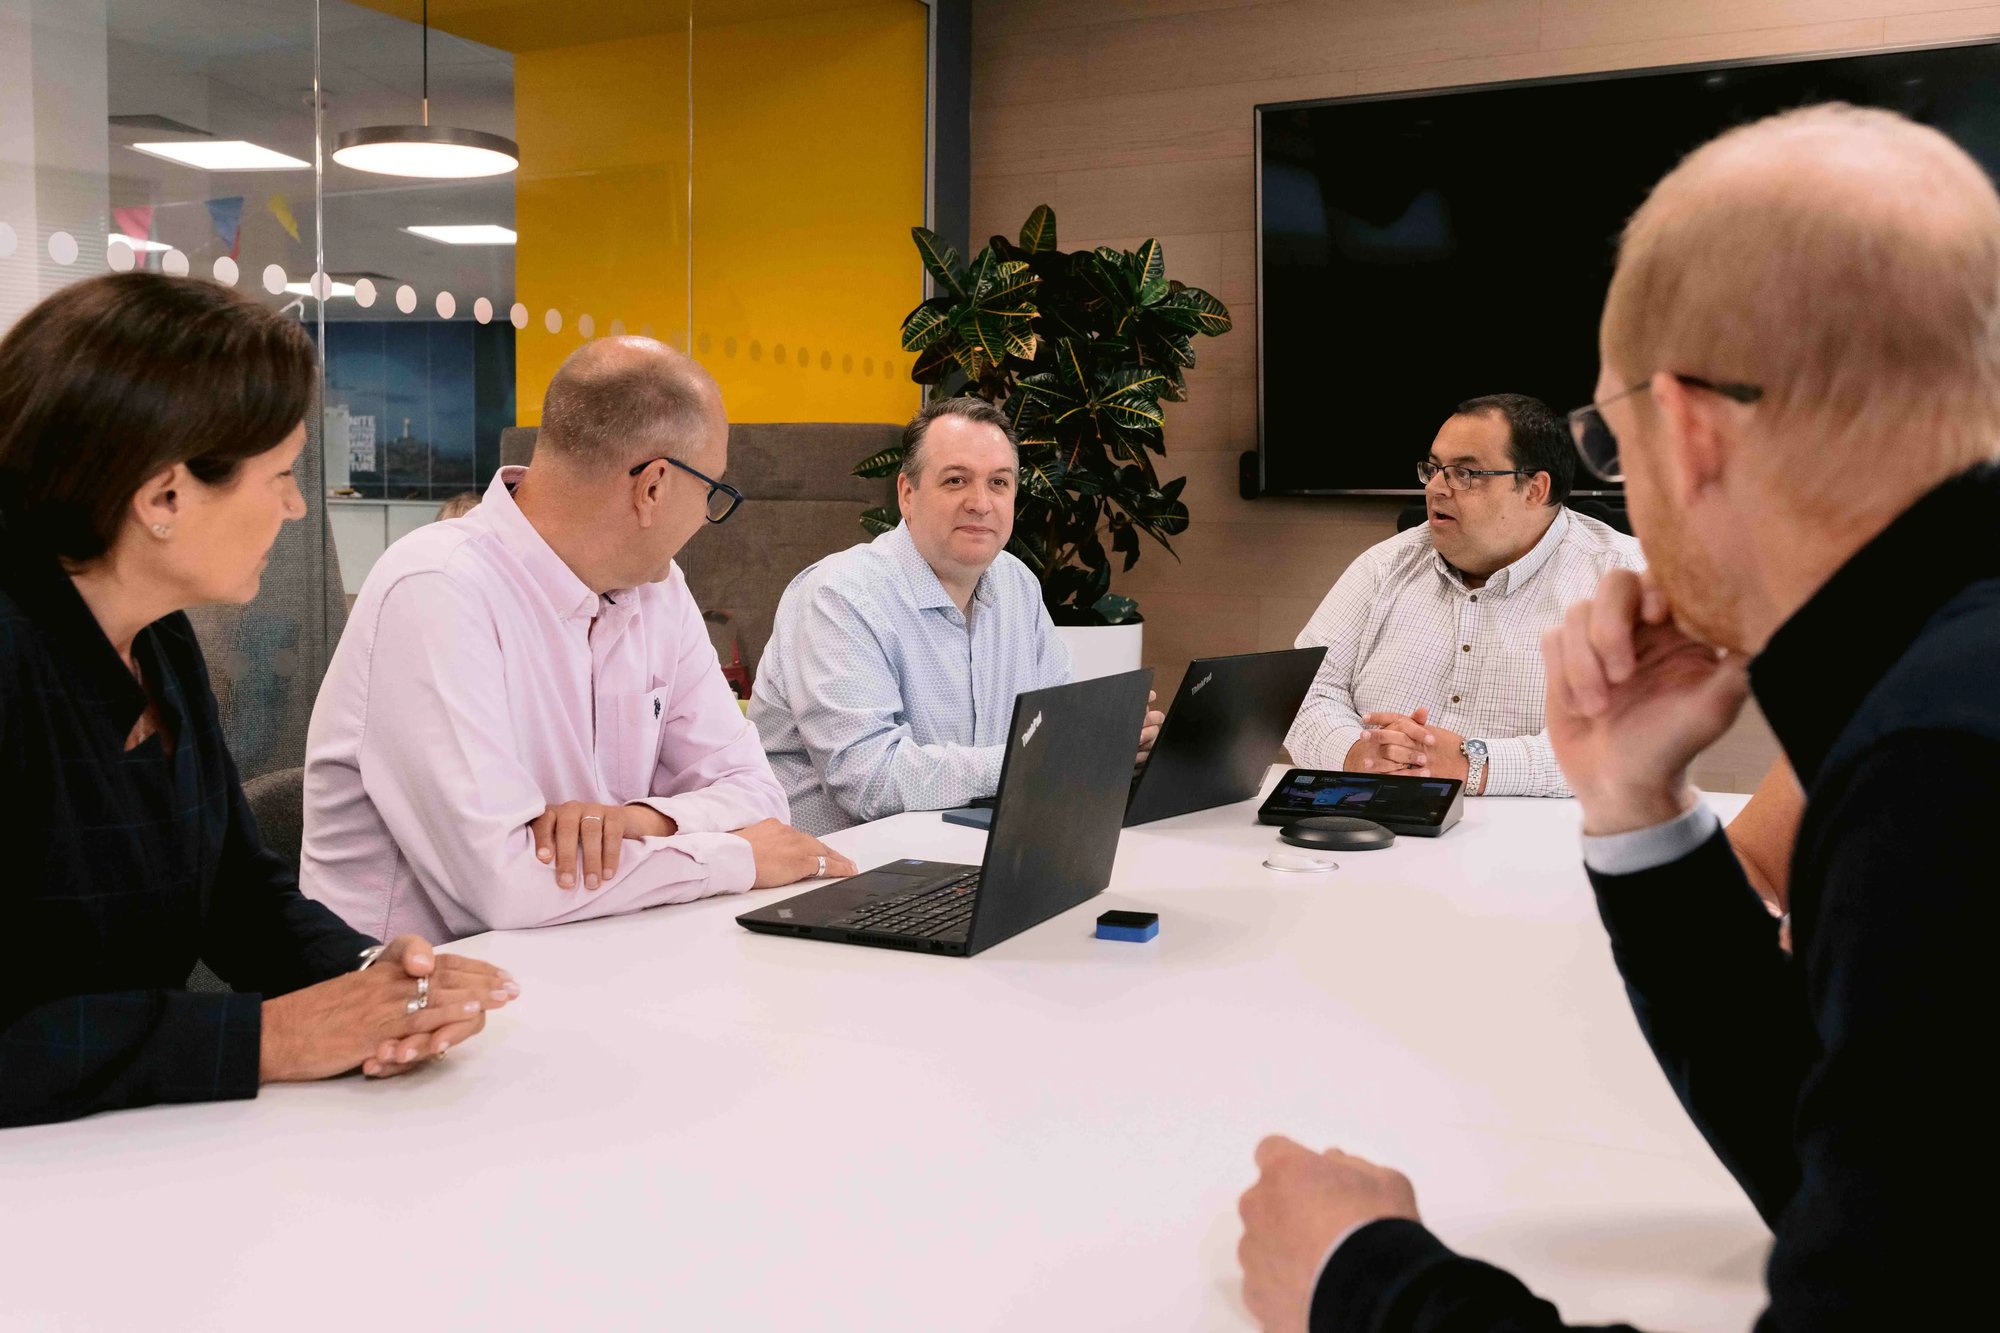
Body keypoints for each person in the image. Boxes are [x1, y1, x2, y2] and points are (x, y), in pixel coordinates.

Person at [1238, 103, 1995, 1331]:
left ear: (1687, 427)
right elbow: (1842, 1179)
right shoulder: (1934, 689)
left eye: (1606, 433)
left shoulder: (1940, 775)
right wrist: (1637, 805)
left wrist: (1364, 1284)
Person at [0, 273, 516, 1130]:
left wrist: (367, 978)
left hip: (119, 1157)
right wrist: (265, 1038)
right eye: (277, 475)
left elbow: (235, 892)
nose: (296, 505)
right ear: (164, 496)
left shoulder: (156, 638)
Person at [302, 338, 852, 943]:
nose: (704, 518)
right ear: (654, 487)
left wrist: (635, 822)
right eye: (711, 492)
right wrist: (736, 859)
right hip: (420, 1004)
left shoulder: (657, 591)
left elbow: (760, 798)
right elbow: (506, 885)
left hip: (593, 958)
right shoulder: (437, 589)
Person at [749, 397, 1162, 836]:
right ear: (908, 494)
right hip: (833, 874)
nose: (980, 503)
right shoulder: (840, 596)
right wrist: (1039, 755)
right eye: (956, 480)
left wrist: (1113, 743)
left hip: (963, 854)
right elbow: (868, 780)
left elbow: (1056, 727)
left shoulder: (1017, 585)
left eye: (999, 483)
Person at [1285, 395, 1641, 797]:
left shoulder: (1624, 579)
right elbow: (1303, 692)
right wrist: (1356, 755)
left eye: (1465, 473)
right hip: (1374, 822)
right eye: (1434, 469)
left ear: (1535, 490)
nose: (1436, 487)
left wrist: (1472, 765)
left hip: (1541, 843)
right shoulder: (1385, 565)